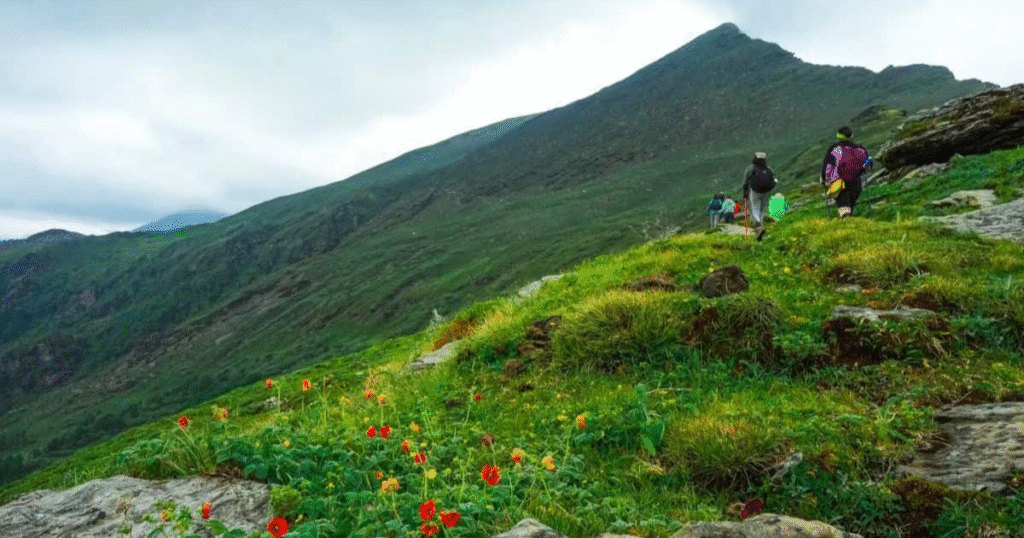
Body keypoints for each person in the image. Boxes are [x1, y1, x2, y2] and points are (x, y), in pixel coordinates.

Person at [821, 126, 870, 218]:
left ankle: (847, 223)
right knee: (850, 205)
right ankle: (850, 224)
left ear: (838, 137)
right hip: (856, 181)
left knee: (843, 205)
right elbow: (867, 163)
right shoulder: (860, 149)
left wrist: (824, 179)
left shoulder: (834, 149)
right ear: (851, 136)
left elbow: (827, 166)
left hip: (839, 182)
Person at [742, 152, 777, 240]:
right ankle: (760, 224)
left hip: (754, 191)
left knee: (754, 207)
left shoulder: (751, 169)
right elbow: (774, 180)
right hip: (766, 191)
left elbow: (745, 182)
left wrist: (745, 193)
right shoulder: (768, 169)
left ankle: (757, 224)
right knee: (762, 208)